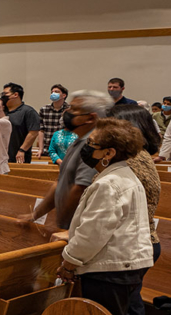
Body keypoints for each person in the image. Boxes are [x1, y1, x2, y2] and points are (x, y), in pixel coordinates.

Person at [57, 117, 152, 315]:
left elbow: (93, 233)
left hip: (109, 270)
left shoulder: (108, 184)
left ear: (109, 153)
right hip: (124, 266)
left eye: (91, 144)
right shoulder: (125, 175)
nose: (86, 148)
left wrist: (69, 262)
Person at [21, 91, 108, 229]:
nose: (68, 112)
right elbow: (60, 182)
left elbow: (80, 189)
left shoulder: (94, 146)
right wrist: (35, 214)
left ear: (90, 118)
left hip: (80, 229)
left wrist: (63, 224)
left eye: (74, 109)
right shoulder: (78, 141)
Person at [106, 103, 164, 263]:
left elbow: (110, 207)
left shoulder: (132, 160)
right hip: (134, 241)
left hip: (130, 245)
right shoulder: (135, 155)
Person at [0, 83, 42, 163]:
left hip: (18, 156)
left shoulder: (28, 111)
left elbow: (33, 133)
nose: (3, 96)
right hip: (0, 156)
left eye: (5, 94)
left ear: (16, 94)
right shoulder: (1, 111)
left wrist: (22, 150)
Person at [39, 85, 68, 159]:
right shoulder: (44, 109)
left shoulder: (70, 110)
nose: (53, 93)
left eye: (56, 92)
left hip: (65, 150)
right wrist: (40, 149)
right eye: (52, 92)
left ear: (64, 95)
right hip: (47, 149)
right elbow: (41, 130)